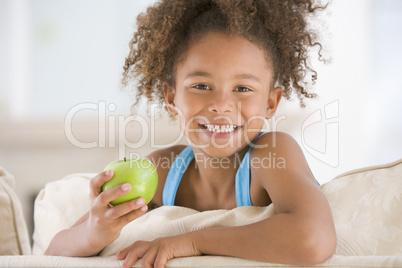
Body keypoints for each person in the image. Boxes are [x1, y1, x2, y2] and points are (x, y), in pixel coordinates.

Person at [45, 0, 337, 267]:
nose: (221, 106)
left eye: (243, 88)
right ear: (171, 97)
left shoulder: (272, 152)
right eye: (201, 86)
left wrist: (191, 242)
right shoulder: (164, 169)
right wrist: (95, 230)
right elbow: (53, 253)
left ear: (271, 103)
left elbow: (313, 238)